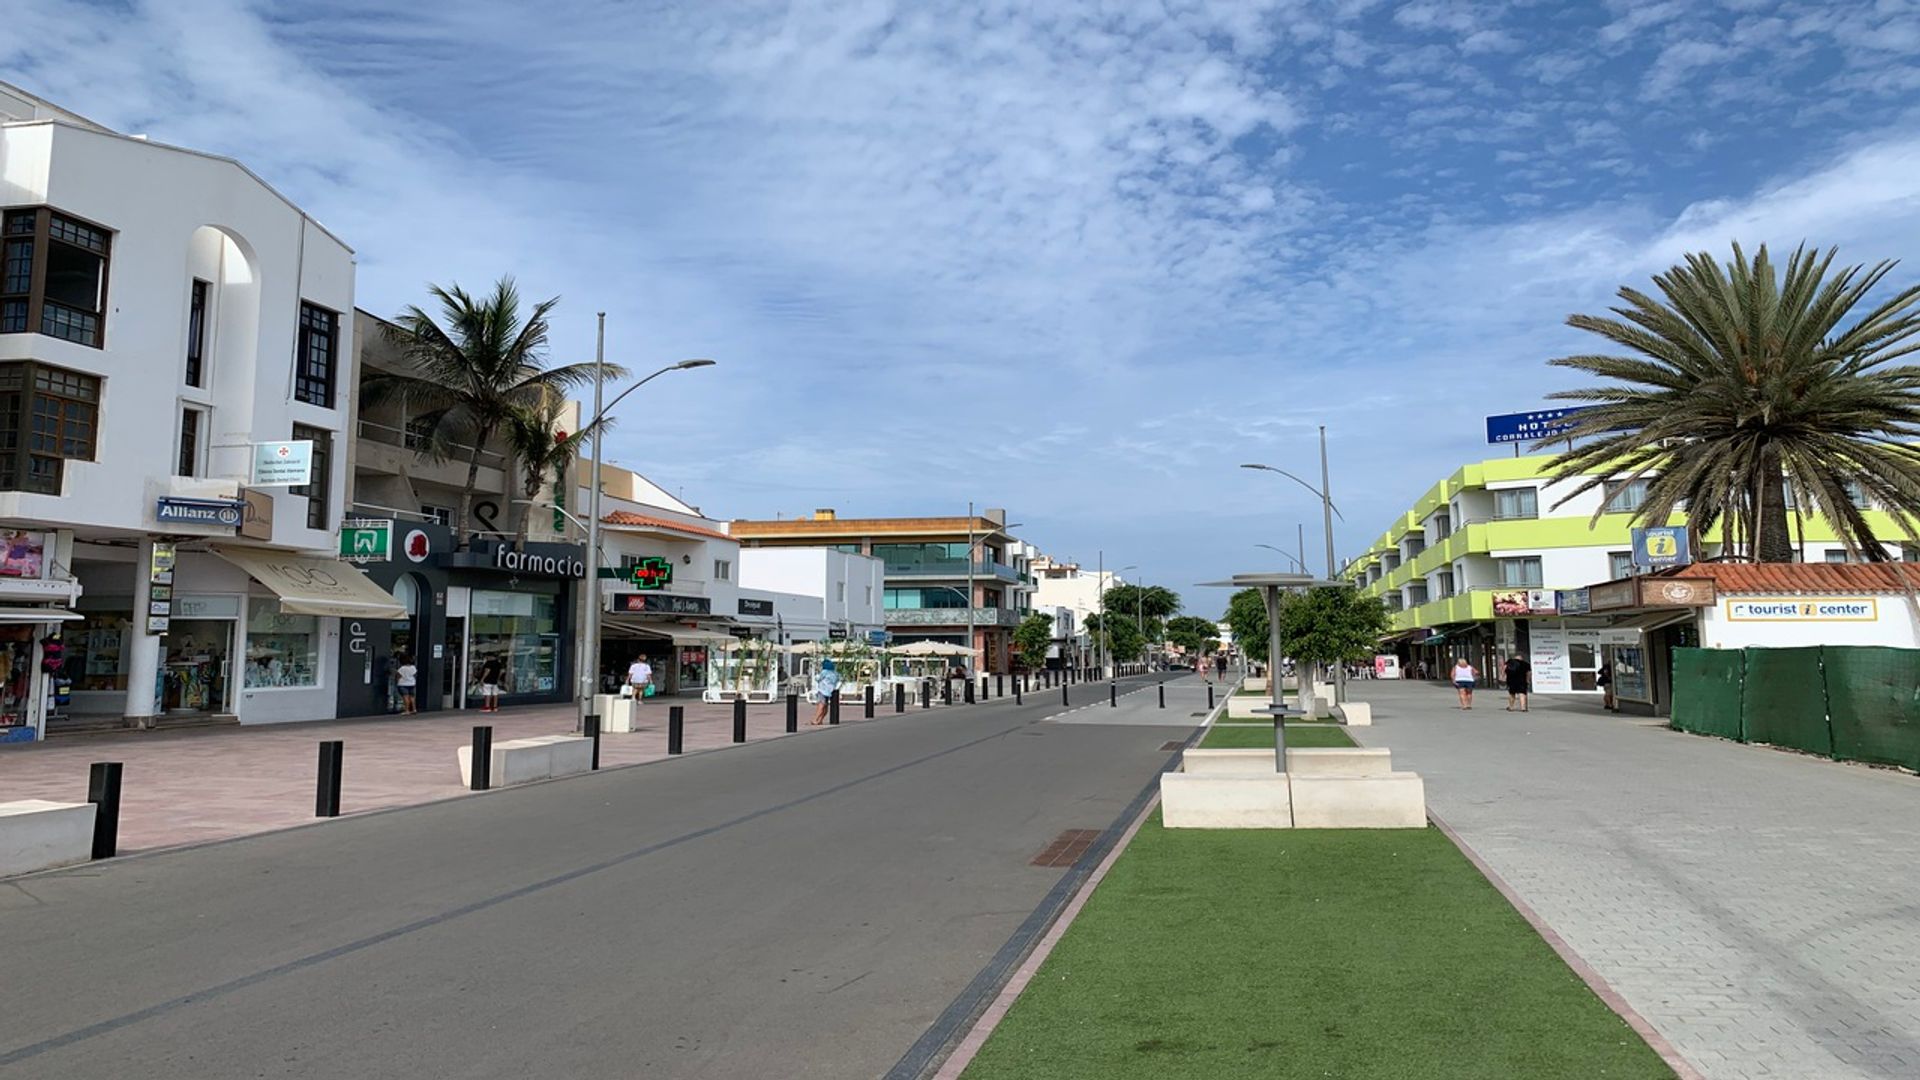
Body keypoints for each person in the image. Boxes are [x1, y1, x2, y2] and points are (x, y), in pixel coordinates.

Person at [811, 659, 840, 726]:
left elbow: (818, 678)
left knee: (821, 705)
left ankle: (815, 719)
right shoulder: (835, 673)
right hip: (830, 691)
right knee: (825, 707)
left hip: (822, 690)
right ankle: (820, 720)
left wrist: (817, 675)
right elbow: (838, 680)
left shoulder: (824, 672)